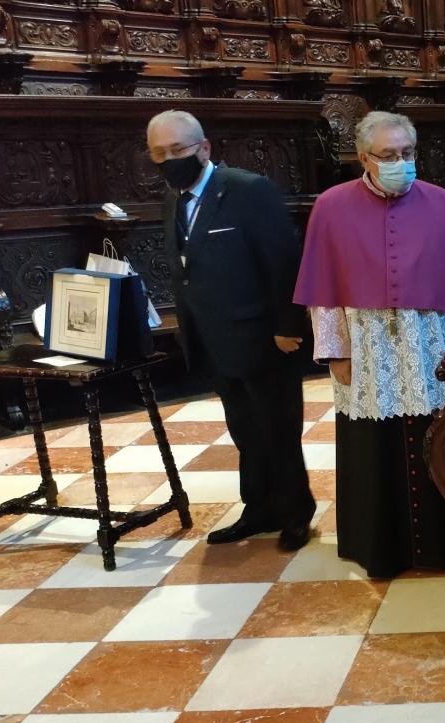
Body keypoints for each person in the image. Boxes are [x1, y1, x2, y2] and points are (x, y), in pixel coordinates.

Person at [293, 111, 445, 578]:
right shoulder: (332, 205)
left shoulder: (443, 203)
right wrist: (335, 350)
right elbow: (323, 289)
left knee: (439, 435)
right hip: (366, 343)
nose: (400, 162)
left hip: (431, 342)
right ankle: (378, 547)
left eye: (408, 154)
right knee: (372, 445)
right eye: (388, 155)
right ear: (364, 157)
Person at [147, 110, 314, 552]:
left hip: (263, 336)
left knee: (279, 430)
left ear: (204, 147)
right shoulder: (173, 198)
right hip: (214, 339)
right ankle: (258, 509)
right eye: (159, 153)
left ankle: (296, 514)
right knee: (244, 431)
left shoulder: (246, 189)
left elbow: (283, 261)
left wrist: (288, 326)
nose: (169, 160)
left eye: (178, 150)